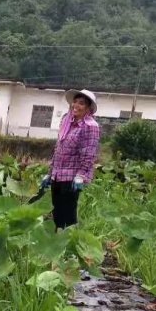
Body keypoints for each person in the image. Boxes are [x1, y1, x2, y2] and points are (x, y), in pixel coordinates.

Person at [42, 88, 101, 230]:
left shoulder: (90, 126)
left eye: (81, 103)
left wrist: (81, 175)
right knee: (57, 212)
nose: (76, 106)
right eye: (75, 102)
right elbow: (58, 150)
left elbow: (89, 153)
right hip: (58, 175)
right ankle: (57, 244)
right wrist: (50, 173)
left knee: (68, 213)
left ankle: (70, 246)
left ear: (88, 108)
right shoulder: (66, 122)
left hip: (72, 177)